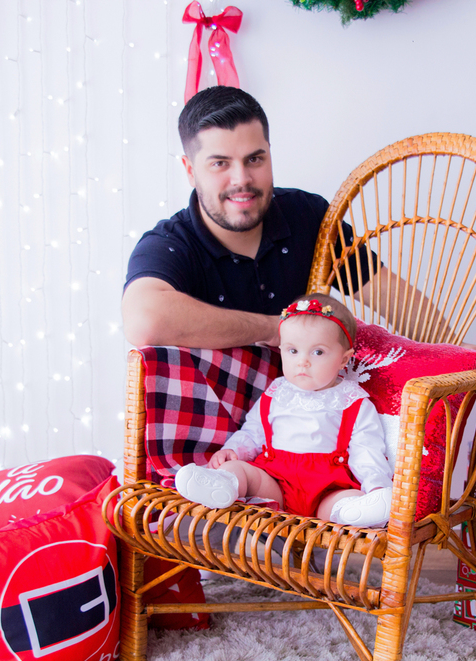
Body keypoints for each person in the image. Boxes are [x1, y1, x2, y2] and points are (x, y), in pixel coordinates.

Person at [123, 85, 427, 349]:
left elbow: (397, 301)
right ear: (190, 171)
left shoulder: (306, 214)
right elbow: (143, 320)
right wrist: (277, 328)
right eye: (220, 164)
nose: (241, 179)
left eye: (254, 159)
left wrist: (452, 351)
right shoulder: (170, 242)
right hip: (216, 415)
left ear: (270, 153)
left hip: (314, 410)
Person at [174, 294, 393, 528]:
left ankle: (357, 510)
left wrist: (377, 486)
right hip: (275, 481)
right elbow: (254, 432)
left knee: (347, 501)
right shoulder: (277, 391)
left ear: (343, 359)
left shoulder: (353, 401)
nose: (303, 362)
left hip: (327, 487)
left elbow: (367, 451)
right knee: (238, 469)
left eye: (317, 352)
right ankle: (223, 484)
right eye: (292, 351)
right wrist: (232, 450)